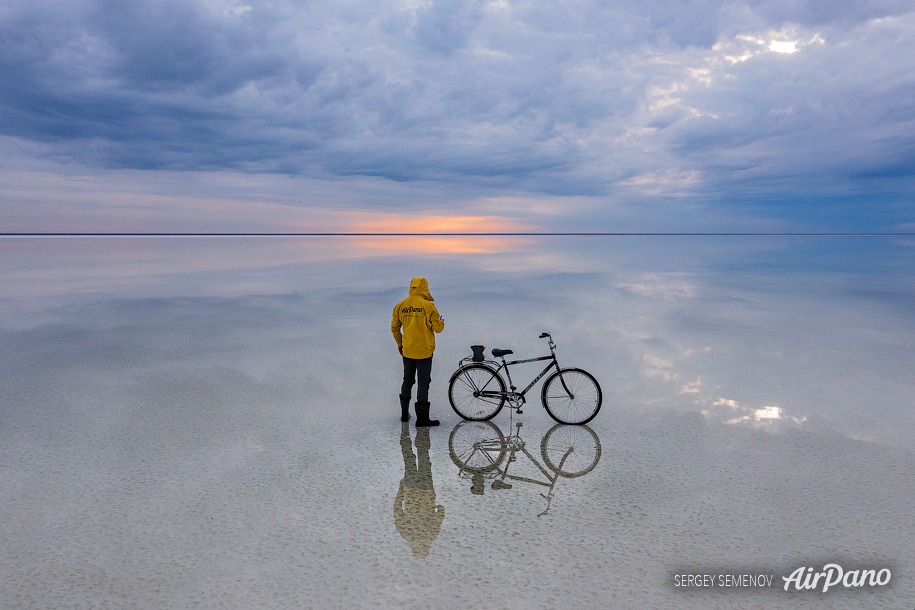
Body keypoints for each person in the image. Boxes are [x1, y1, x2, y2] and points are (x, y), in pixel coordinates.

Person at [391, 277, 445, 426]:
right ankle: (422, 419)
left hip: (407, 350)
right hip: (424, 352)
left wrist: (400, 343)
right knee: (423, 382)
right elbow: (438, 329)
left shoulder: (400, 305)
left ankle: (404, 415)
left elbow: (394, 327)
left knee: (407, 381)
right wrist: (441, 322)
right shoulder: (428, 306)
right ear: (425, 288)